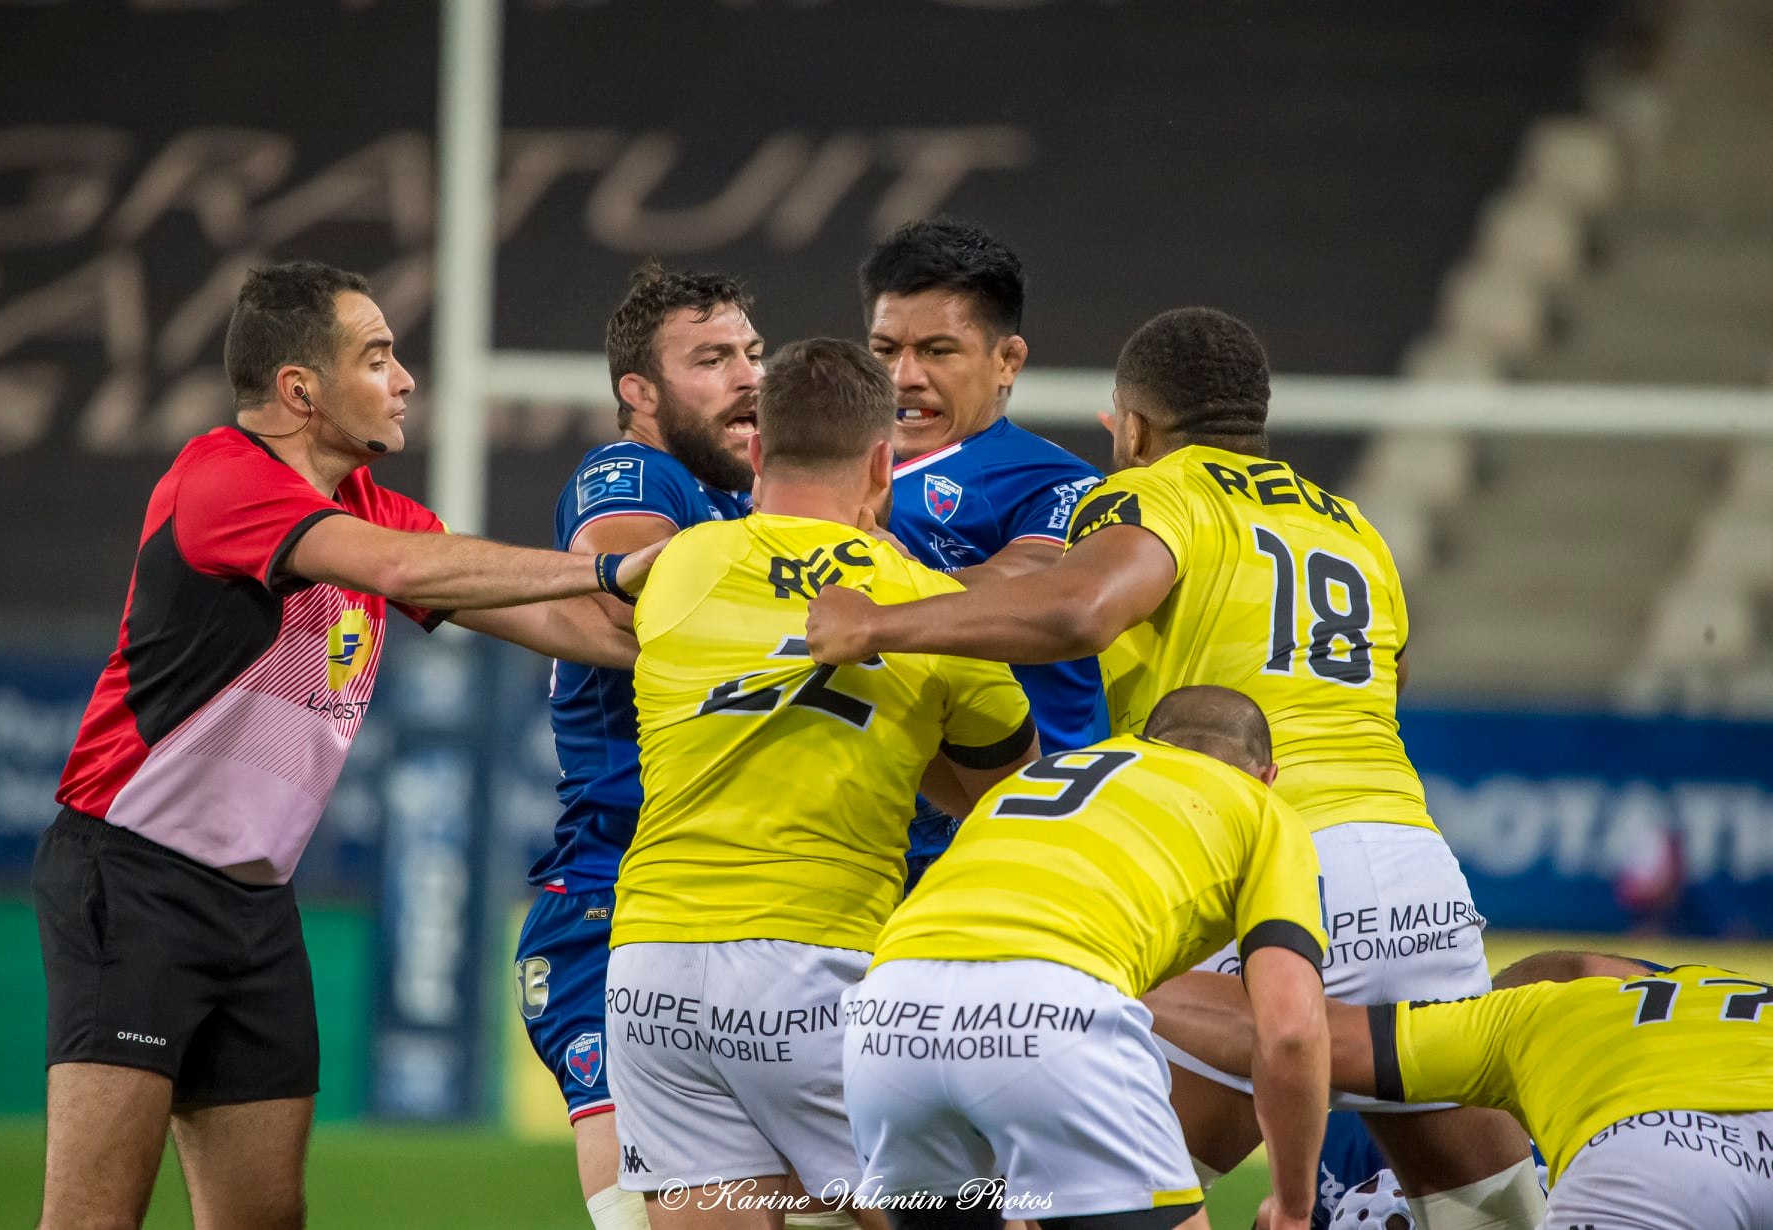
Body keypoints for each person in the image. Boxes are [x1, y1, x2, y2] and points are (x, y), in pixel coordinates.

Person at [805, 307, 1543, 1229]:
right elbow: (1387, 676)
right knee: (1489, 1209)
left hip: (1260, 863)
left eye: (1115, 428)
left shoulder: (1158, 492)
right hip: (1413, 872)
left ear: (1137, 428)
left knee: (1084, 1195)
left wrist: (877, 621)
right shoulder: (1357, 529)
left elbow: (1082, 610)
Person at [33, 261, 653, 1230]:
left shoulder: (376, 507)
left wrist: (702, 609)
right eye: (378, 356)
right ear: (298, 391)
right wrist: (611, 564)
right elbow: (407, 565)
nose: (406, 377)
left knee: (265, 1219)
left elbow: (576, 626)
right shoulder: (221, 479)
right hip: (134, 879)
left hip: (255, 905)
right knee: (93, 1220)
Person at [604, 338, 1039, 1229]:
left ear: (756, 450)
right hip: (816, 972)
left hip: (651, 971)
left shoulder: (682, 569)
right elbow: (1008, 802)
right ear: (884, 462)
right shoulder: (931, 614)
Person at [842, 686, 1329, 1230]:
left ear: (1144, 740)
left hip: (886, 1014)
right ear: (1267, 776)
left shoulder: (1039, 776)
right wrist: (1292, 1205)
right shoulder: (1260, 809)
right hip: (1049, 1010)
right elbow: (1289, 1028)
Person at [512, 261, 761, 1230]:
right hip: (615, 910)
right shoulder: (640, 474)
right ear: (640, 394)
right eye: (712, 359)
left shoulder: (748, 508)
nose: (747, 376)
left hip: (731, 911)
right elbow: (618, 577)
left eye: (750, 353)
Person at [1144, 951, 1773, 1230]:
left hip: (1649, 1153)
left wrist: (1101, 975)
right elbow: (1581, 964)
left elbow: (1299, 1035)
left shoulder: (1527, 1019)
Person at [858, 218, 1106, 886]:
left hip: (1010, 846)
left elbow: (1030, 585)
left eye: (938, 351)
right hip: (861, 844)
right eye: (884, 349)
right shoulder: (831, 472)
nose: (903, 377)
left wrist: (859, 571)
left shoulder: (1059, 482)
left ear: (1007, 361)